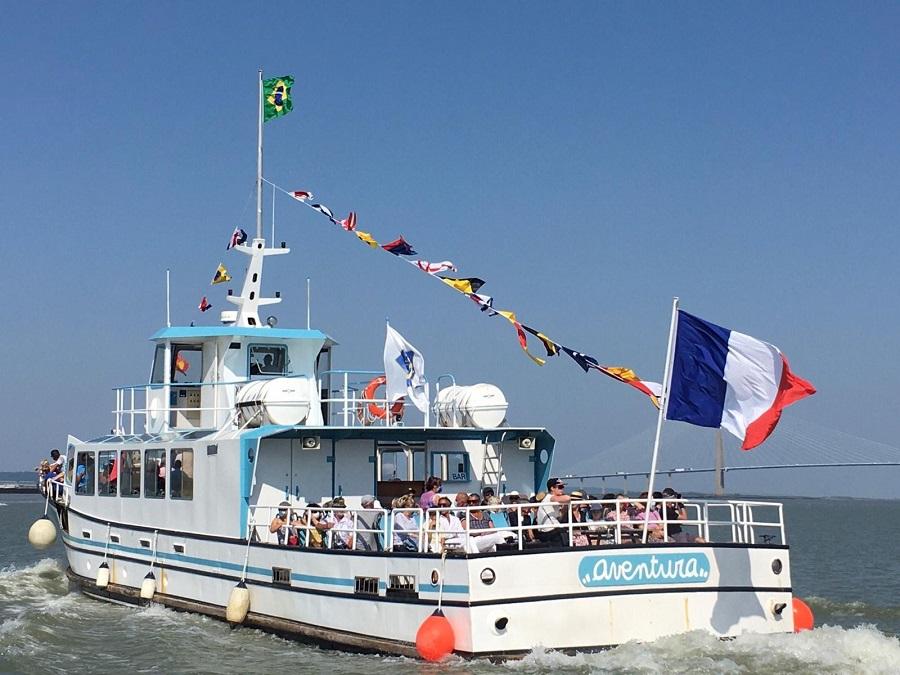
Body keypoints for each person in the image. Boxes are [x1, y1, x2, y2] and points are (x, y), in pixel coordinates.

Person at [537, 477, 571, 547]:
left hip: (551, 530)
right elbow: (567, 498)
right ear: (552, 488)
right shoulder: (550, 497)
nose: (562, 489)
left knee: (564, 533)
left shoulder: (551, 499)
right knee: (562, 535)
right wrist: (570, 498)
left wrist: (564, 510)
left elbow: (557, 518)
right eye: (560, 487)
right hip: (549, 532)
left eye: (563, 487)